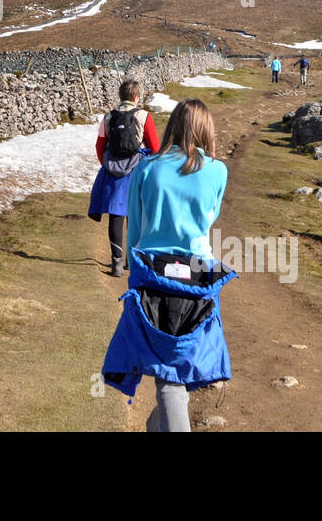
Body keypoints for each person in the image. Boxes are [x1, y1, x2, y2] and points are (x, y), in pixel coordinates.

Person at [101, 99, 235, 432]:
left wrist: (134, 274)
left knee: (169, 376)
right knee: (176, 371)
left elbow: (135, 226)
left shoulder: (147, 168)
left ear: (172, 125)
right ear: (206, 129)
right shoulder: (217, 170)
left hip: (152, 275)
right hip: (198, 278)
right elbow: (211, 216)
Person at [88, 79, 160, 276]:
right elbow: (154, 147)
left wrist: (108, 164)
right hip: (136, 171)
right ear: (137, 97)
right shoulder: (144, 116)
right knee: (135, 217)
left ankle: (116, 263)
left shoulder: (108, 117)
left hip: (113, 173)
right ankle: (132, 260)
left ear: (120, 95)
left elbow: (99, 146)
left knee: (116, 215)